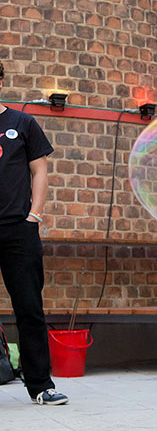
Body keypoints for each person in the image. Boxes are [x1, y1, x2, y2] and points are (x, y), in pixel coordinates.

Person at [0, 62, 68, 405]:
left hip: (18, 230)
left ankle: (41, 385)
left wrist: (34, 216)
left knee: (29, 308)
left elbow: (39, 171)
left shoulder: (22, 123)